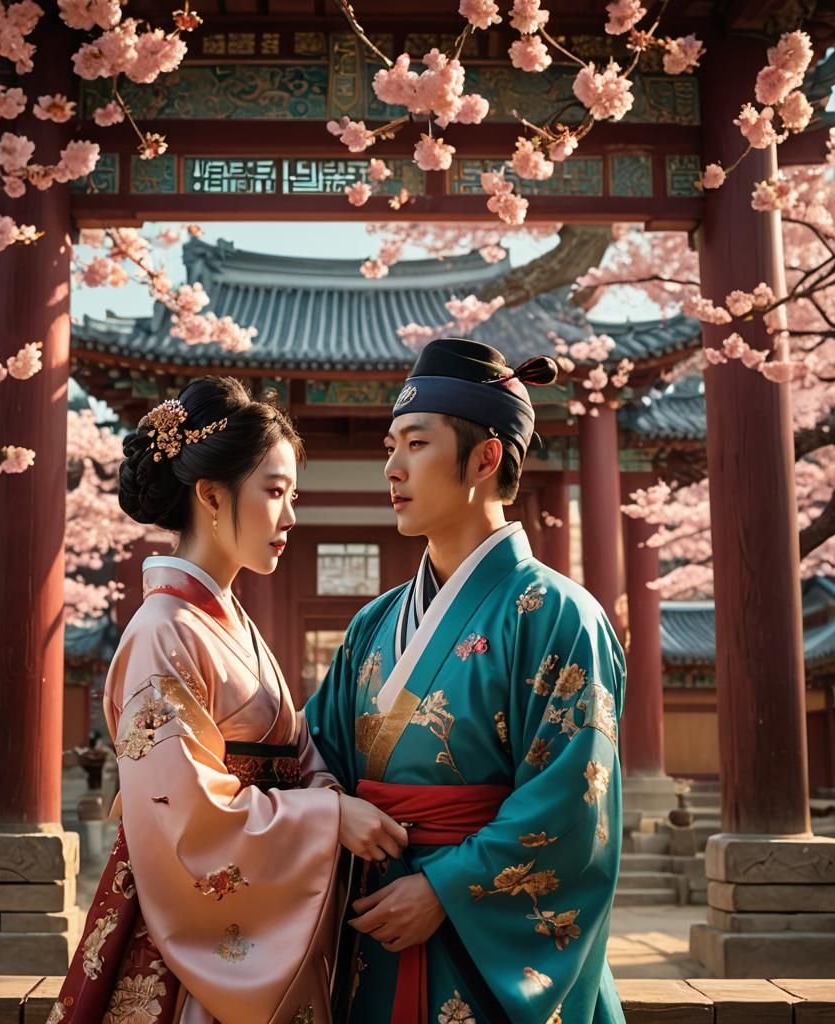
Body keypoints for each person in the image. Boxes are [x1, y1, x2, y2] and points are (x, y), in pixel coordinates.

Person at [51, 377, 407, 1024]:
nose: (292, 516)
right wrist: (328, 822)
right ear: (211, 495)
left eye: (292, 494)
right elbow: (185, 815)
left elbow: (298, 755)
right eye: (275, 492)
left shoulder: (226, 624)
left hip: (245, 916)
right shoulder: (163, 632)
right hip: (185, 955)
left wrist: (331, 799)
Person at [305, 338, 626, 1024]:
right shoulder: (373, 623)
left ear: (484, 457)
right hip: (376, 925)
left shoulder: (561, 616)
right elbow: (313, 751)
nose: (391, 467)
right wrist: (331, 807)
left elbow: (573, 806)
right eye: (390, 446)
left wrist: (446, 890)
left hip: (476, 937)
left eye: (415, 444)